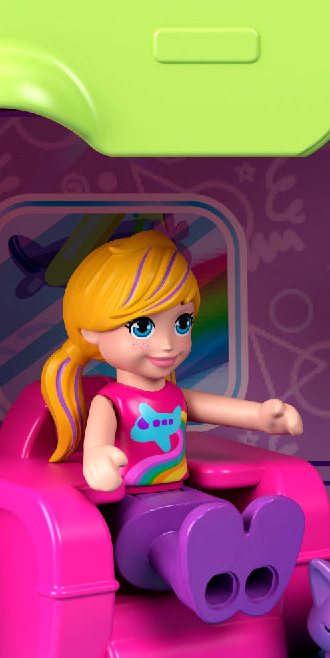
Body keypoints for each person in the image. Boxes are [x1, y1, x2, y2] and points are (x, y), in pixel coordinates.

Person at [40, 229, 304, 623]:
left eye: (181, 322)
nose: (168, 344)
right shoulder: (110, 401)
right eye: (142, 327)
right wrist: (98, 459)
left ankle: (251, 569)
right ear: (90, 332)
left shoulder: (174, 395)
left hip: (183, 497)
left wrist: (263, 417)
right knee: (166, 544)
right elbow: (96, 446)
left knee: (212, 522)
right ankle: (208, 588)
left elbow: (220, 409)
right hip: (132, 506)